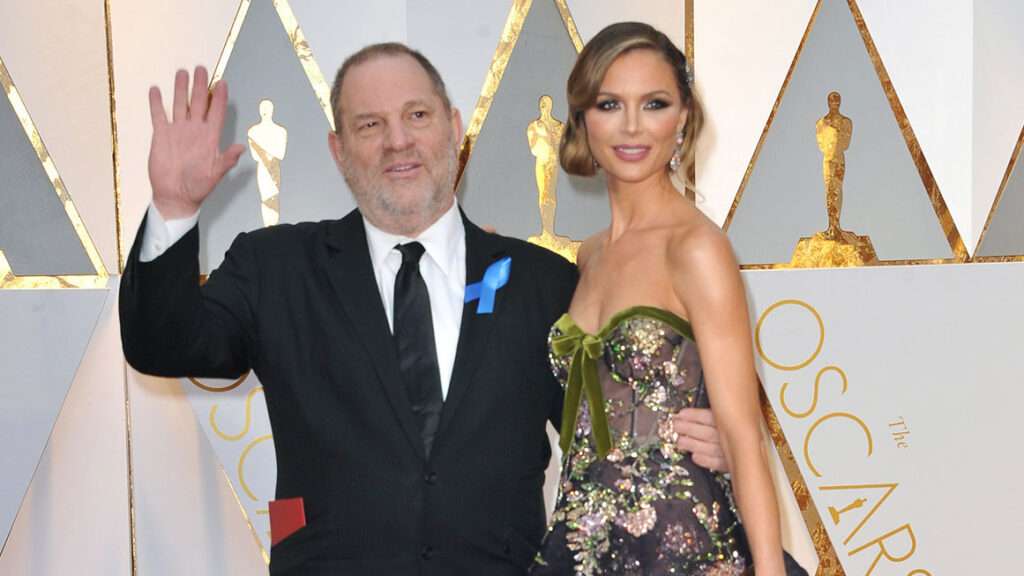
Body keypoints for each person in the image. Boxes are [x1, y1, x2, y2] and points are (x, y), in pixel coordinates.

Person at [120, 42, 729, 575]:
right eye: (369, 125)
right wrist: (174, 206)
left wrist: (705, 437)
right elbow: (163, 345)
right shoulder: (275, 266)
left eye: (417, 115)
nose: (398, 141)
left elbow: (606, 428)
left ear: (454, 127)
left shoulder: (543, 280)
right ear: (338, 149)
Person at [531, 23, 789, 575]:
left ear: (683, 118)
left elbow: (743, 436)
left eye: (653, 103)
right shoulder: (590, 256)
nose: (630, 126)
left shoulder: (697, 248)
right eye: (608, 104)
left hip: (682, 547)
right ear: (582, 119)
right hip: (583, 548)